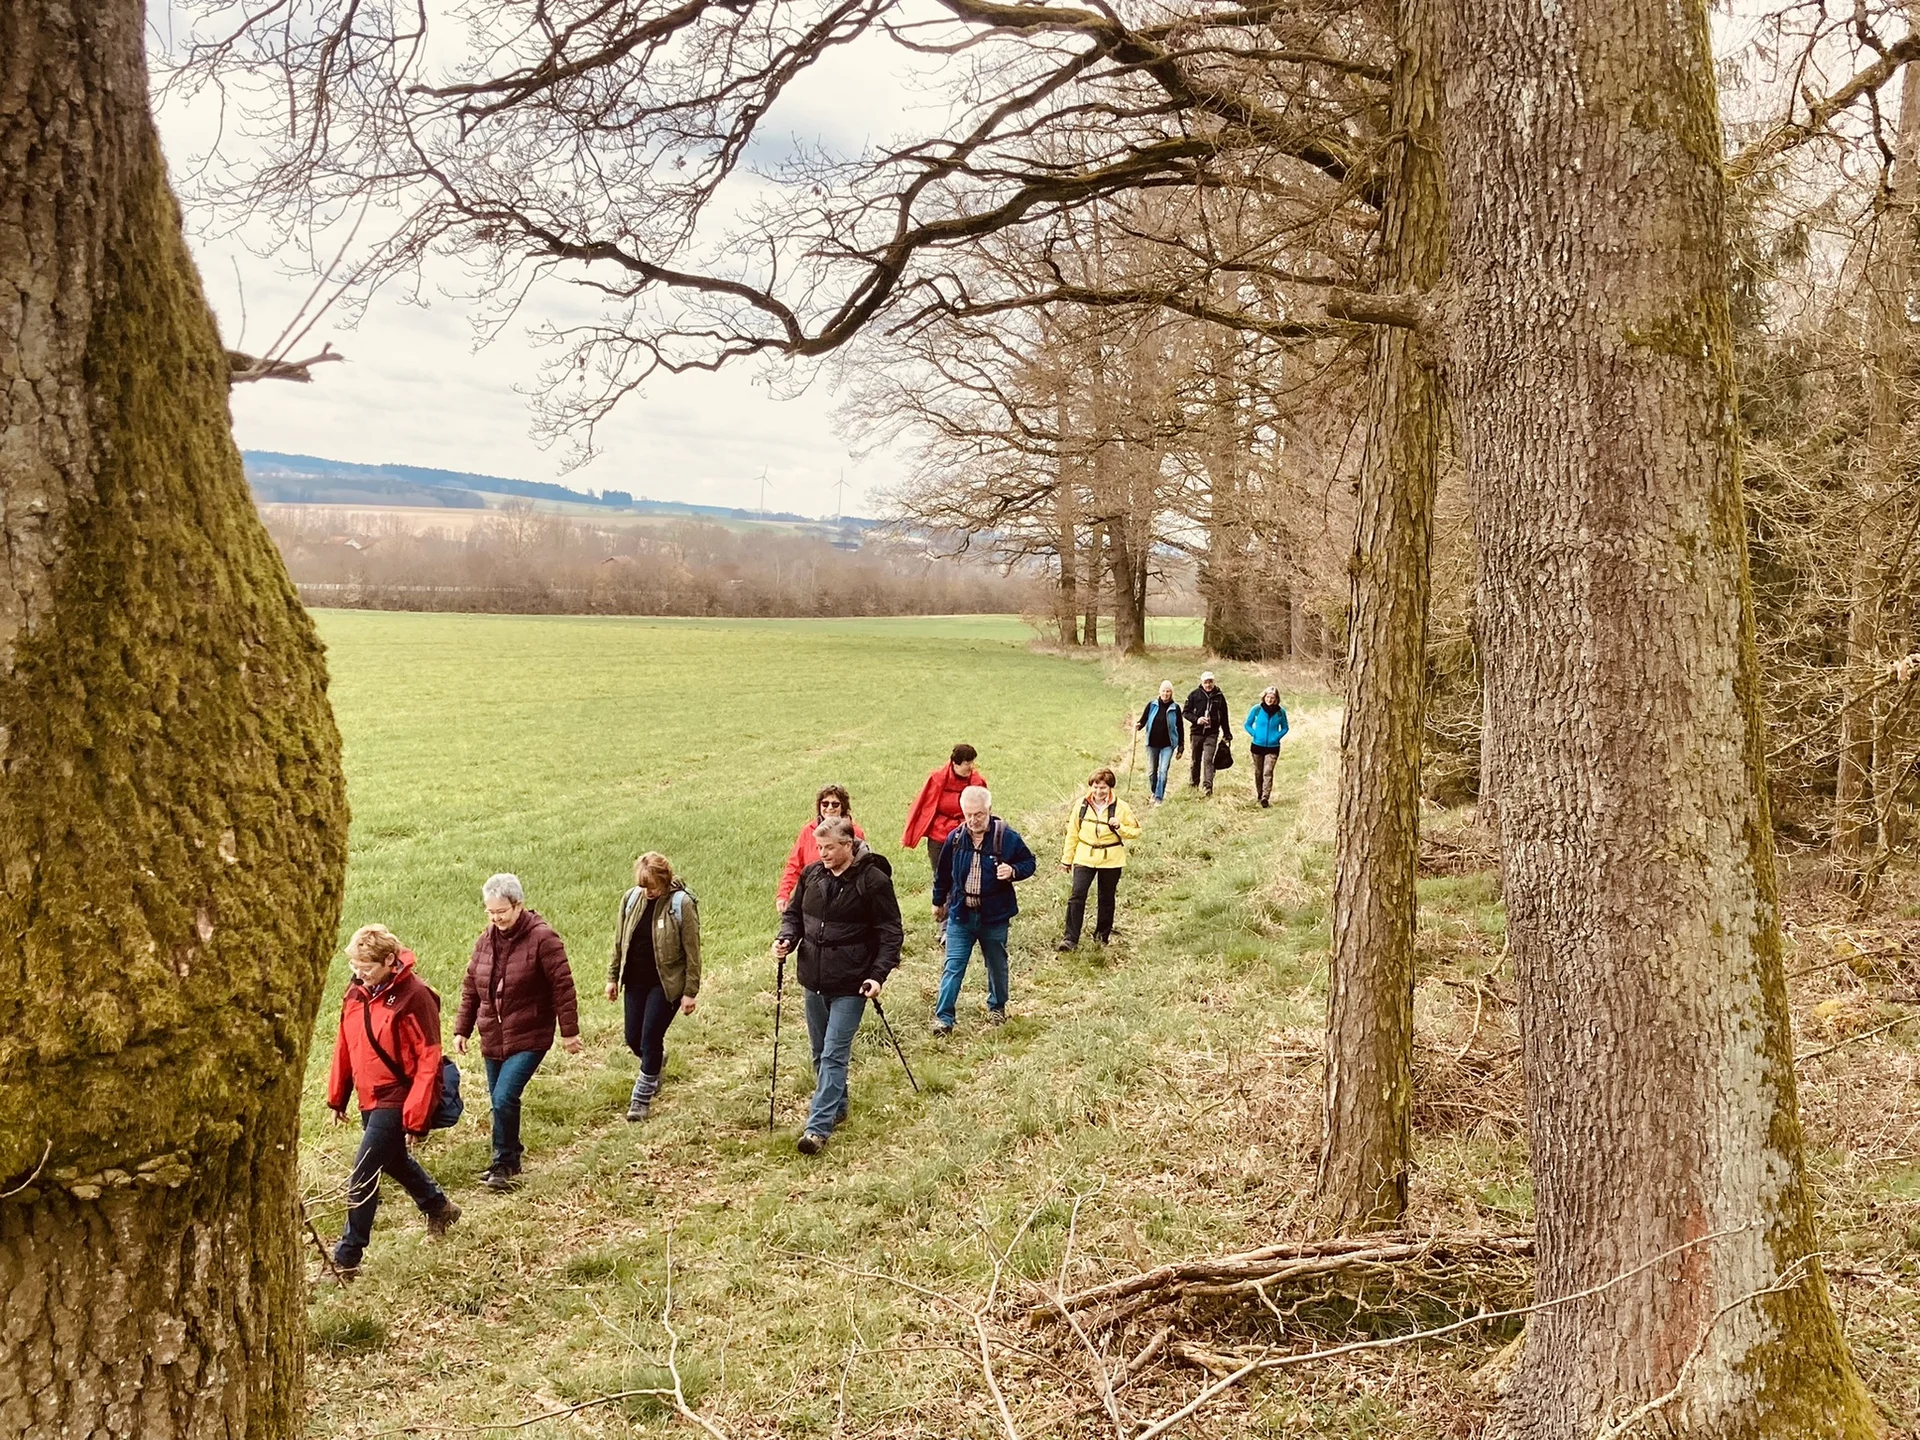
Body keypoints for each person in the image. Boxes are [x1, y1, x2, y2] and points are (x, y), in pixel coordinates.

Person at [326, 924, 459, 1275]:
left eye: (366, 967)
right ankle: (439, 1207)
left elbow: (429, 1061)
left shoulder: (415, 997)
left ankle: (347, 1257)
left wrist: (416, 1118)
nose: (359, 974)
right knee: (394, 1161)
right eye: (354, 966)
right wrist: (337, 1096)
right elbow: (345, 1045)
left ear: (389, 960)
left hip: (397, 1097)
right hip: (369, 1099)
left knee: (363, 1175)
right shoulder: (355, 993)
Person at [774, 816, 903, 1154]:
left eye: (829, 848)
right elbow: (795, 915)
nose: (823, 854)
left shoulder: (873, 881)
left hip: (852, 982)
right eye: (819, 848)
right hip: (813, 980)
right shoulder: (812, 874)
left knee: (833, 1054)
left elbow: (890, 932)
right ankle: (837, 1104)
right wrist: (787, 939)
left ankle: (816, 1130)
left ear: (848, 845)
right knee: (819, 1052)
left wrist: (877, 975)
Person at [455, 873, 581, 1191]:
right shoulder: (485, 940)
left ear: (518, 905)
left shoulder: (543, 938)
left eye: (501, 911)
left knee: (504, 1097)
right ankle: (507, 1160)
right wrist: (462, 1029)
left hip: (530, 1032)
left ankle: (504, 1164)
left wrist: (570, 1032)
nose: (496, 918)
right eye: (490, 912)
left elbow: (562, 986)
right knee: (499, 1101)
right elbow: (472, 986)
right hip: (492, 1035)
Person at [928, 786, 1037, 1034]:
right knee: (953, 966)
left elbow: (1029, 862)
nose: (973, 821)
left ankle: (997, 1007)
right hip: (961, 914)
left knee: (996, 964)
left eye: (978, 814)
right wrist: (938, 902)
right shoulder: (955, 839)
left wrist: (1013, 871)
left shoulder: (1007, 837)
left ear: (989, 810)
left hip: (994, 916)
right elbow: (942, 874)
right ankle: (944, 1019)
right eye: (967, 815)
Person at [606, 852, 701, 1121]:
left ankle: (641, 1098)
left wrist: (690, 992)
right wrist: (612, 977)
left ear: (664, 880)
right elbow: (619, 942)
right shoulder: (631, 898)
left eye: (651, 886)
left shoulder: (681, 904)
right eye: (642, 885)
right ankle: (656, 1062)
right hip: (635, 980)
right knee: (633, 1039)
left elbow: (693, 952)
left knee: (650, 1038)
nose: (647, 891)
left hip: (667, 983)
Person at [1057, 769, 1142, 951]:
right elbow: (1072, 833)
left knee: (1106, 898)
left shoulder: (1121, 807)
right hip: (1084, 856)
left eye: (1103, 788)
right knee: (1077, 896)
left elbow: (1136, 831)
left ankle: (1102, 937)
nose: (1098, 792)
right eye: (1095, 787)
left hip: (1111, 858)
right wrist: (1067, 860)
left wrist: (1120, 827)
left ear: (1110, 788)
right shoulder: (1081, 805)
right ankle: (1070, 939)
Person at [776, 785, 866, 912]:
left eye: (835, 804)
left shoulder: (854, 832)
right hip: (812, 896)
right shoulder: (808, 831)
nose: (829, 808)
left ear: (843, 807)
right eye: (825, 804)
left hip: (844, 899)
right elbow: (794, 865)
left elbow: (863, 866)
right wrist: (783, 894)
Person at [902, 743, 989, 869]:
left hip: (967, 834)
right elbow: (921, 807)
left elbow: (985, 810)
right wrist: (910, 835)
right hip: (939, 835)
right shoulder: (936, 779)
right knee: (940, 875)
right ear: (955, 763)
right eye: (967, 763)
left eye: (972, 762)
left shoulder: (977, 782)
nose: (971, 767)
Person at [1133, 681, 1185, 804]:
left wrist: (1181, 747)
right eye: (1163, 691)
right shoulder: (1152, 705)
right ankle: (1154, 791)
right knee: (1151, 772)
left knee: (1163, 770)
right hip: (1152, 744)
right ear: (1159, 692)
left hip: (1168, 745)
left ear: (1171, 693)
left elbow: (1180, 727)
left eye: (1168, 691)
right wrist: (1138, 726)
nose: (1165, 694)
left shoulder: (1175, 708)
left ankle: (1158, 797)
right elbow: (1143, 720)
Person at [1183, 672, 1231, 795]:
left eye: (1210, 682)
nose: (1208, 684)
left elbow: (1224, 715)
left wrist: (1227, 733)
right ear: (1202, 682)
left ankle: (1207, 787)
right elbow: (1186, 712)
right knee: (1195, 759)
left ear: (1214, 682)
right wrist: (1197, 720)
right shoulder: (1194, 695)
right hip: (1196, 733)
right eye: (1206, 682)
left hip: (1212, 733)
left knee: (1208, 759)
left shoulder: (1219, 696)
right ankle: (1193, 783)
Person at [1245, 686, 1291, 808]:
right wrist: (1254, 734)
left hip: (1273, 747)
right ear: (1264, 697)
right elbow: (1247, 724)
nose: (1270, 700)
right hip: (1257, 746)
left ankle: (1266, 797)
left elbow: (1285, 727)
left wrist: (1277, 737)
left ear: (1276, 699)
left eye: (1273, 698)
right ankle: (1259, 795)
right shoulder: (1257, 709)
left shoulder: (1281, 712)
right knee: (1258, 772)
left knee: (1268, 771)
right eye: (1268, 697)